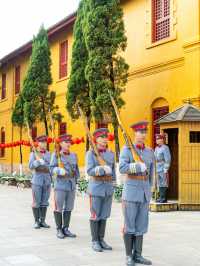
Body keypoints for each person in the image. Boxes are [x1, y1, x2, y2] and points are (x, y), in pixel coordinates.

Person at [119, 121, 154, 266]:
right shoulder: (127, 149)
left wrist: (150, 188)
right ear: (135, 133)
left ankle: (138, 254)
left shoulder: (149, 151)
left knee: (141, 224)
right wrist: (135, 166)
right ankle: (129, 256)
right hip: (131, 192)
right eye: (140, 132)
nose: (143, 135)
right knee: (129, 224)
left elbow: (151, 172)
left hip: (144, 192)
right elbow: (122, 168)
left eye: (145, 132)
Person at [86, 128, 116, 252]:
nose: (104, 139)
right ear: (96, 139)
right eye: (101, 137)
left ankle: (101, 239)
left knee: (104, 215)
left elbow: (113, 170)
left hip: (108, 188)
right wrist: (102, 170)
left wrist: (113, 181)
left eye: (105, 137)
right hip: (96, 188)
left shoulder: (110, 153)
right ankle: (95, 241)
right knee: (95, 215)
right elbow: (89, 170)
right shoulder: (91, 153)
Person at [50, 134, 80, 239]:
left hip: (71, 184)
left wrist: (77, 181)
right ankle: (59, 229)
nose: (68, 144)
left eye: (69, 142)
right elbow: (51, 168)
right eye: (65, 142)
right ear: (61, 144)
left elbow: (76, 170)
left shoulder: (74, 155)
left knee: (69, 207)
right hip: (61, 184)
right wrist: (58, 170)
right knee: (59, 207)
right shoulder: (56, 155)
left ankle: (66, 228)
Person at [29, 135, 51, 229]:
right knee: (36, 201)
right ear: (38, 143)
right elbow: (30, 166)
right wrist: (37, 162)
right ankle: (36, 221)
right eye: (42, 142)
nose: (44, 144)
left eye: (45, 142)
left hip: (47, 179)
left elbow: (51, 165)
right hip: (37, 180)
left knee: (45, 201)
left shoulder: (49, 154)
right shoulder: (33, 154)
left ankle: (43, 221)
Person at [154, 133, 171, 203]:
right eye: (156, 139)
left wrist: (166, 168)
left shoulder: (165, 148)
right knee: (159, 183)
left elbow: (168, 159)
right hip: (157, 166)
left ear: (162, 140)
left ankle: (164, 198)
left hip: (163, 166)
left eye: (158, 139)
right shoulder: (156, 148)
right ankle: (160, 197)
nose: (157, 140)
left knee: (164, 182)